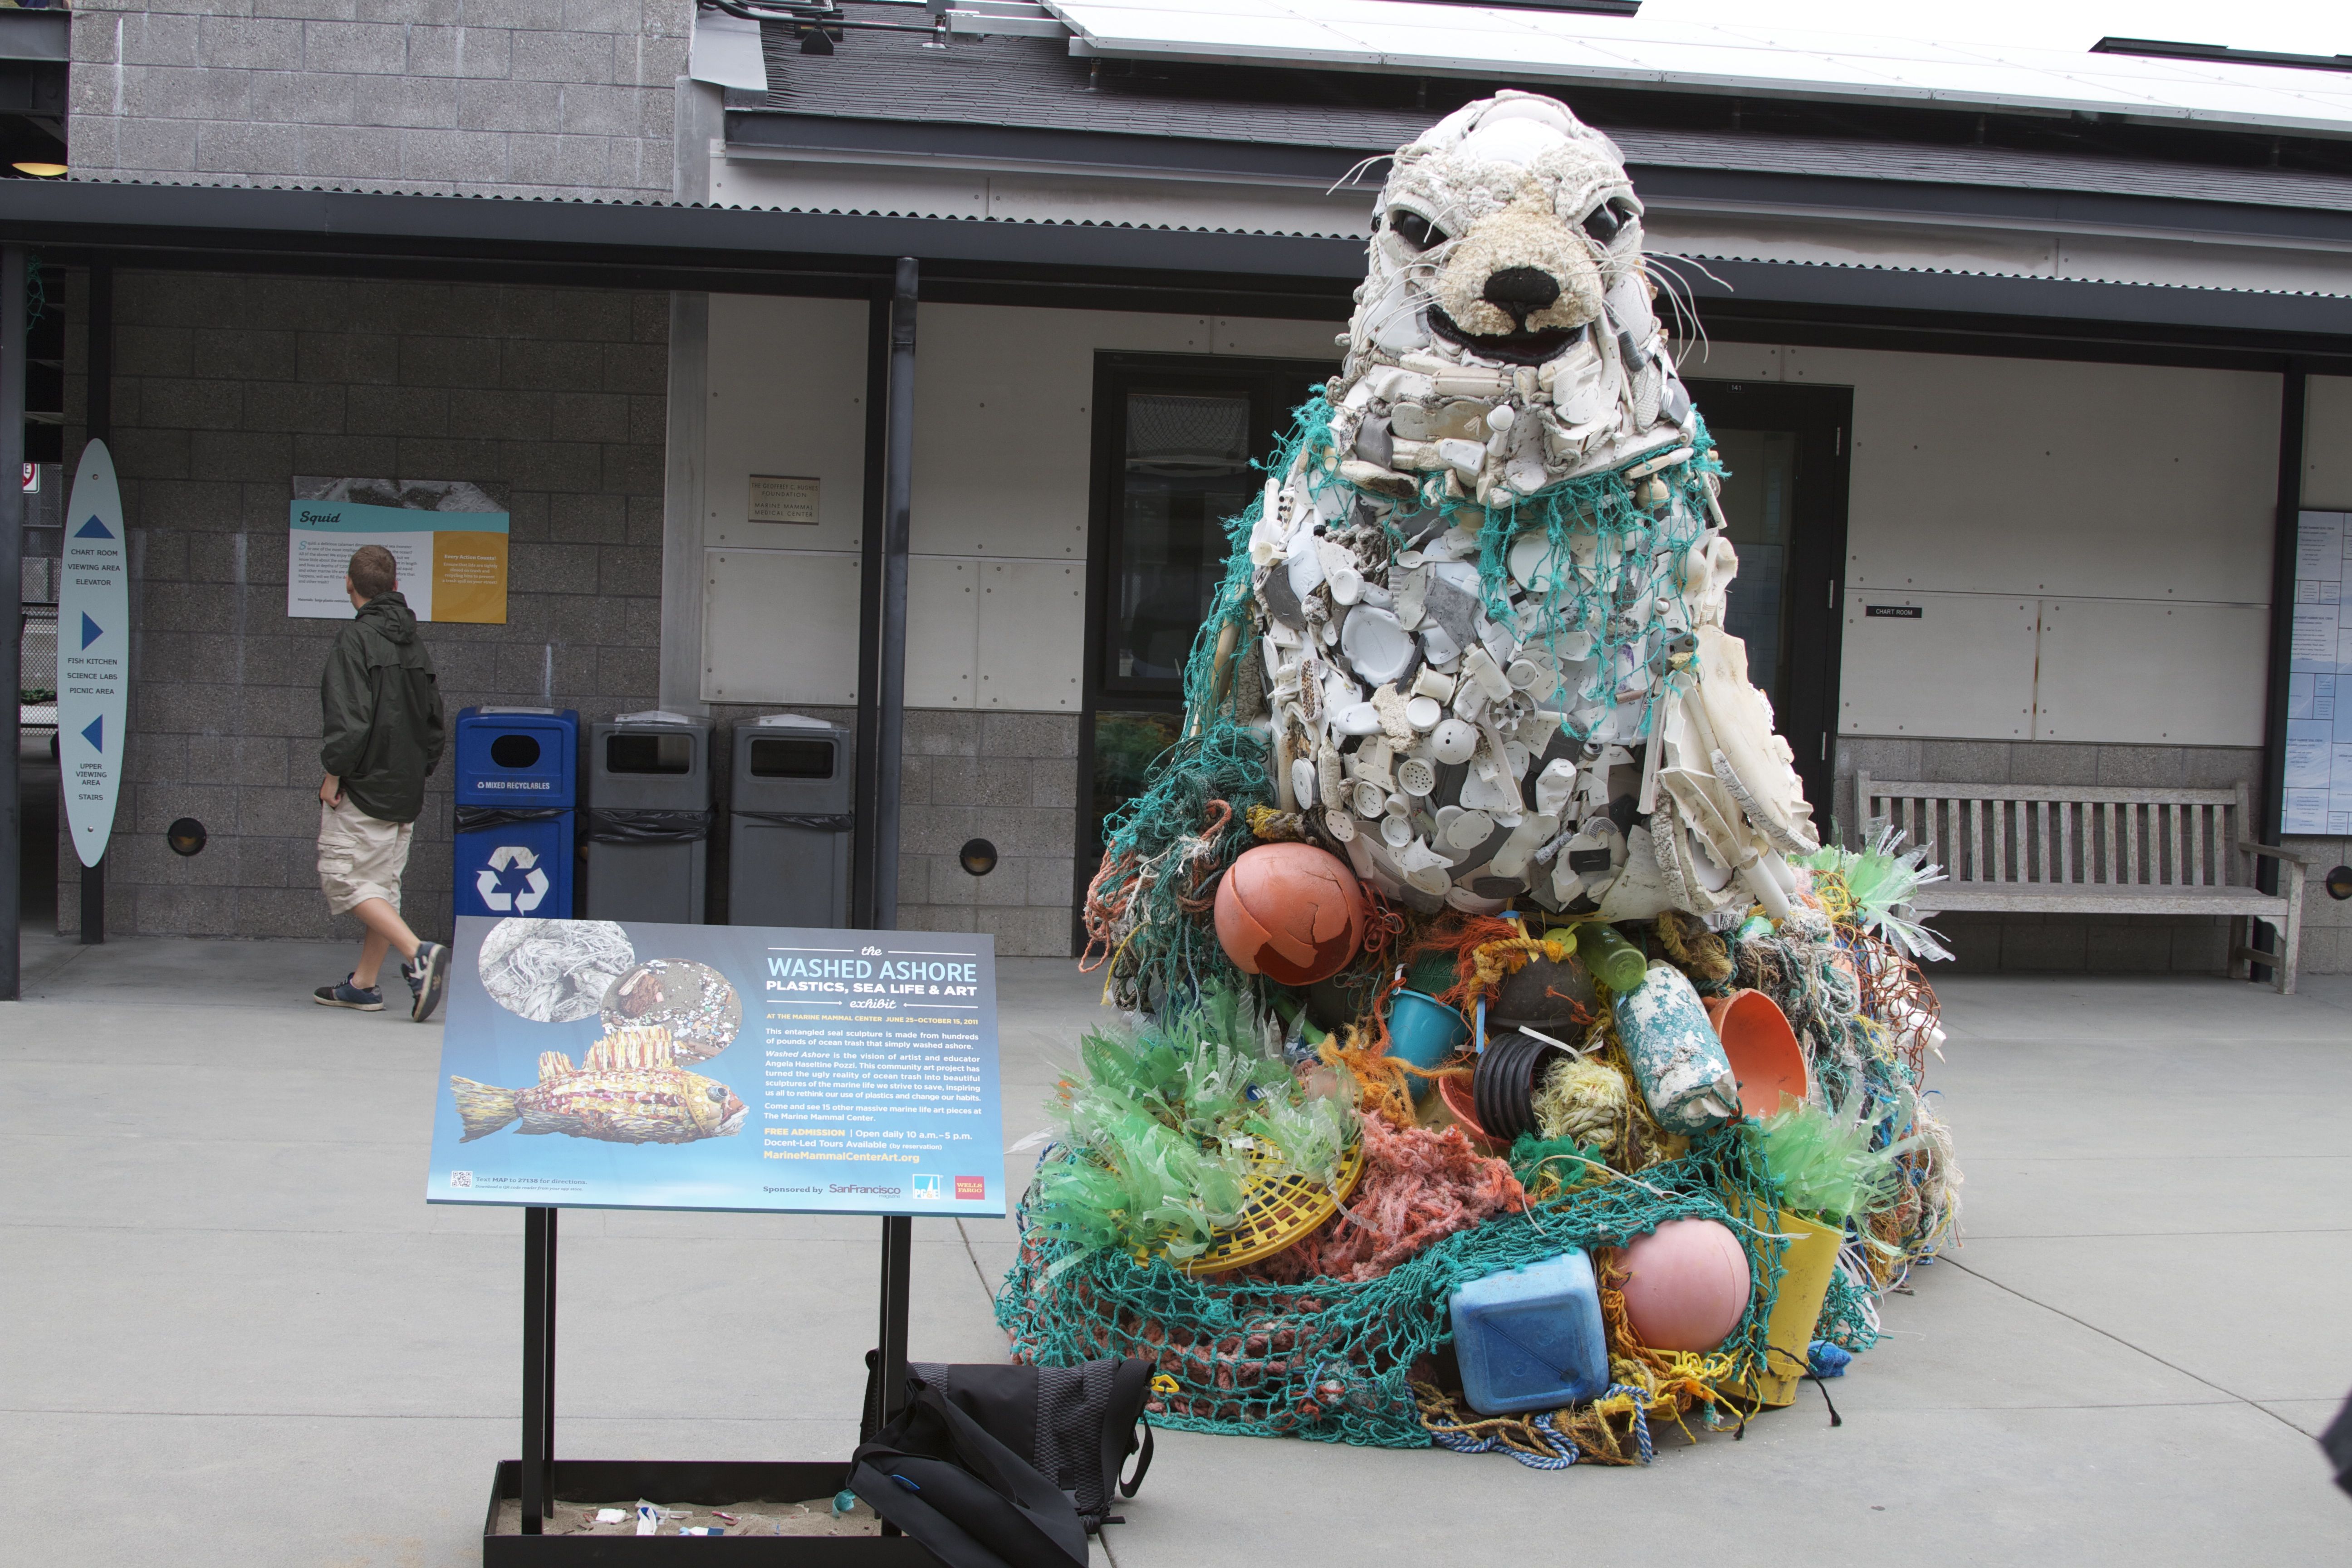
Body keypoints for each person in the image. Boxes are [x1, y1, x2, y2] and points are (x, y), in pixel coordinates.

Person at [312, 544, 451, 1021]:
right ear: (396, 587)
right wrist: (416, 770)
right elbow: (435, 724)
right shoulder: (414, 643)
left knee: (345, 879)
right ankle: (364, 985)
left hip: (364, 788)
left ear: (349, 586)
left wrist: (334, 774)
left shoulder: (355, 642)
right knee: (380, 887)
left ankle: (418, 953)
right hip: (404, 788)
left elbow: (349, 725)